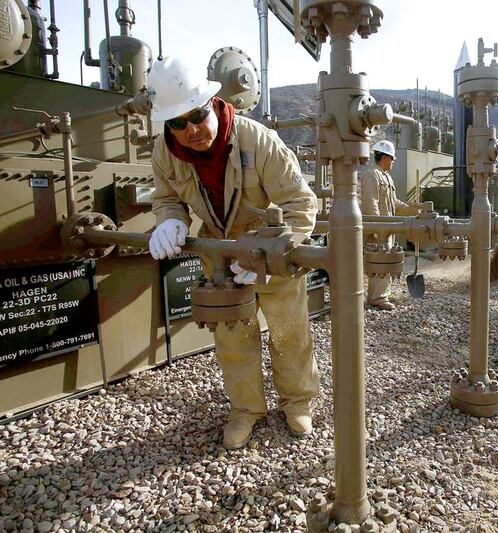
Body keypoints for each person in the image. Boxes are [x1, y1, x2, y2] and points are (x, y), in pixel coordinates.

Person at [146, 57, 320, 450]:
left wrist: (267, 254)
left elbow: (299, 203)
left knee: (288, 330)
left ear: (213, 101)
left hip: (271, 251)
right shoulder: (165, 151)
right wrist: (170, 220)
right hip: (220, 255)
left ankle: (298, 401)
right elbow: (166, 198)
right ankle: (246, 408)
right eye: (177, 123)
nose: (190, 130)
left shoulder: (256, 140)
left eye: (196, 115)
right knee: (233, 338)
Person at [359, 140, 420, 311]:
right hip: (380, 229)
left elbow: (395, 203)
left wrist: (414, 209)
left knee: (385, 261)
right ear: (385, 157)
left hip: (386, 228)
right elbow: (371, 203)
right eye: (392, 159)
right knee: (380, 261)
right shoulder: (372, 175)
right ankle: (377, 298)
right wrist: (378, 228)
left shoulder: (385, 176)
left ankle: (380, 294)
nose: (393, 162)